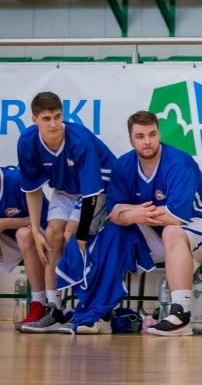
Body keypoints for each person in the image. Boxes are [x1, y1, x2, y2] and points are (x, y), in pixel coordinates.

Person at [105, 111, 202, 336]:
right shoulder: (123, 165)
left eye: (152, 134)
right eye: (140, 136)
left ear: (159, 133)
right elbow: (114, 212)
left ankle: (180, 315)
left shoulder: (179, 161)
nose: (148, 141)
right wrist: (132, 215)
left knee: (172, 231)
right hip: (160, 231)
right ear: (131, 139)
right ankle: (99, 310)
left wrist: (132, 212)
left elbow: (176, 216)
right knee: (111, 232)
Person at [16, 91, 115, 333]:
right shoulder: (27, 142)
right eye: (47, 118)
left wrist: (80, 232)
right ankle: (54, 308)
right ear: (34, 120)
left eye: (57, 117)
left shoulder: (80, 140)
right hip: (64, 189)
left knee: (73, 235)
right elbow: (32, 188)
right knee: (51, 235)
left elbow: (92, 193)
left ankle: (90, 308)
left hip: (100, 188)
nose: (53, 124)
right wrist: (36, 230)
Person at [0, 166, 49, 330]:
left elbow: (41, 217)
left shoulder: (17, 181)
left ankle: (39, 304)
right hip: (8, 238)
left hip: (39, 231)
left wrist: (7, 223)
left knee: (23, 234)